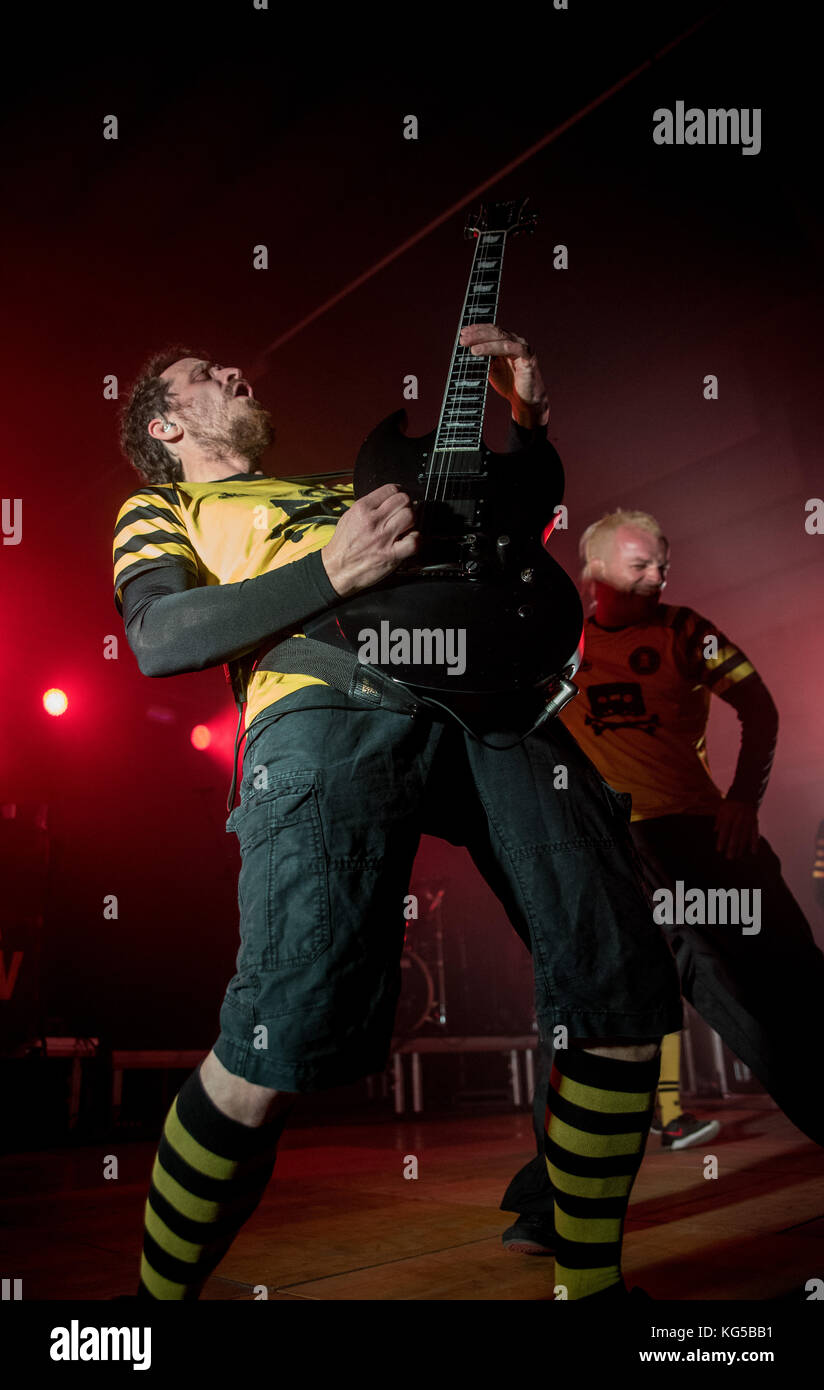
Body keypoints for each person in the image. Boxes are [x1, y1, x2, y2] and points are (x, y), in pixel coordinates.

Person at [113, 335, 683, 1302]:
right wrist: (330, 573)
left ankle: (593, 1294)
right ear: (165, 427)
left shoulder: (359, 479)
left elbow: (511, 525)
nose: (236, 371)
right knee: (275, 1039)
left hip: (498, 701)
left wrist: (531, 425)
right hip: (326, 698)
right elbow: (162, 637)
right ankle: (147, 1321)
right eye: (205, 375)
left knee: (620, 988)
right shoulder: (166, 505)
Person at [501, 509, 824, 1256]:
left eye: (662, 563)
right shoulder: (561, 644)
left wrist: (744, 796)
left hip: (706, 837)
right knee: (597, 1015)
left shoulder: (687, 630)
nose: (659, 575)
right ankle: (553, 1209)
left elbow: (761, 706)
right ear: (596, 572)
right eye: (642, 564)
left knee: (789, 991)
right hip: (617, 846)